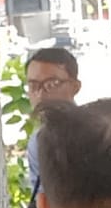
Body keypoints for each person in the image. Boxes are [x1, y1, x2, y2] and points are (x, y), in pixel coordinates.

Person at [24, 45, 82, 190]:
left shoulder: (100, 134)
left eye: (52, 84)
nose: (41, 95)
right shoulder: (38, 142)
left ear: (75, 87)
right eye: (33, 86)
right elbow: (42, 196)